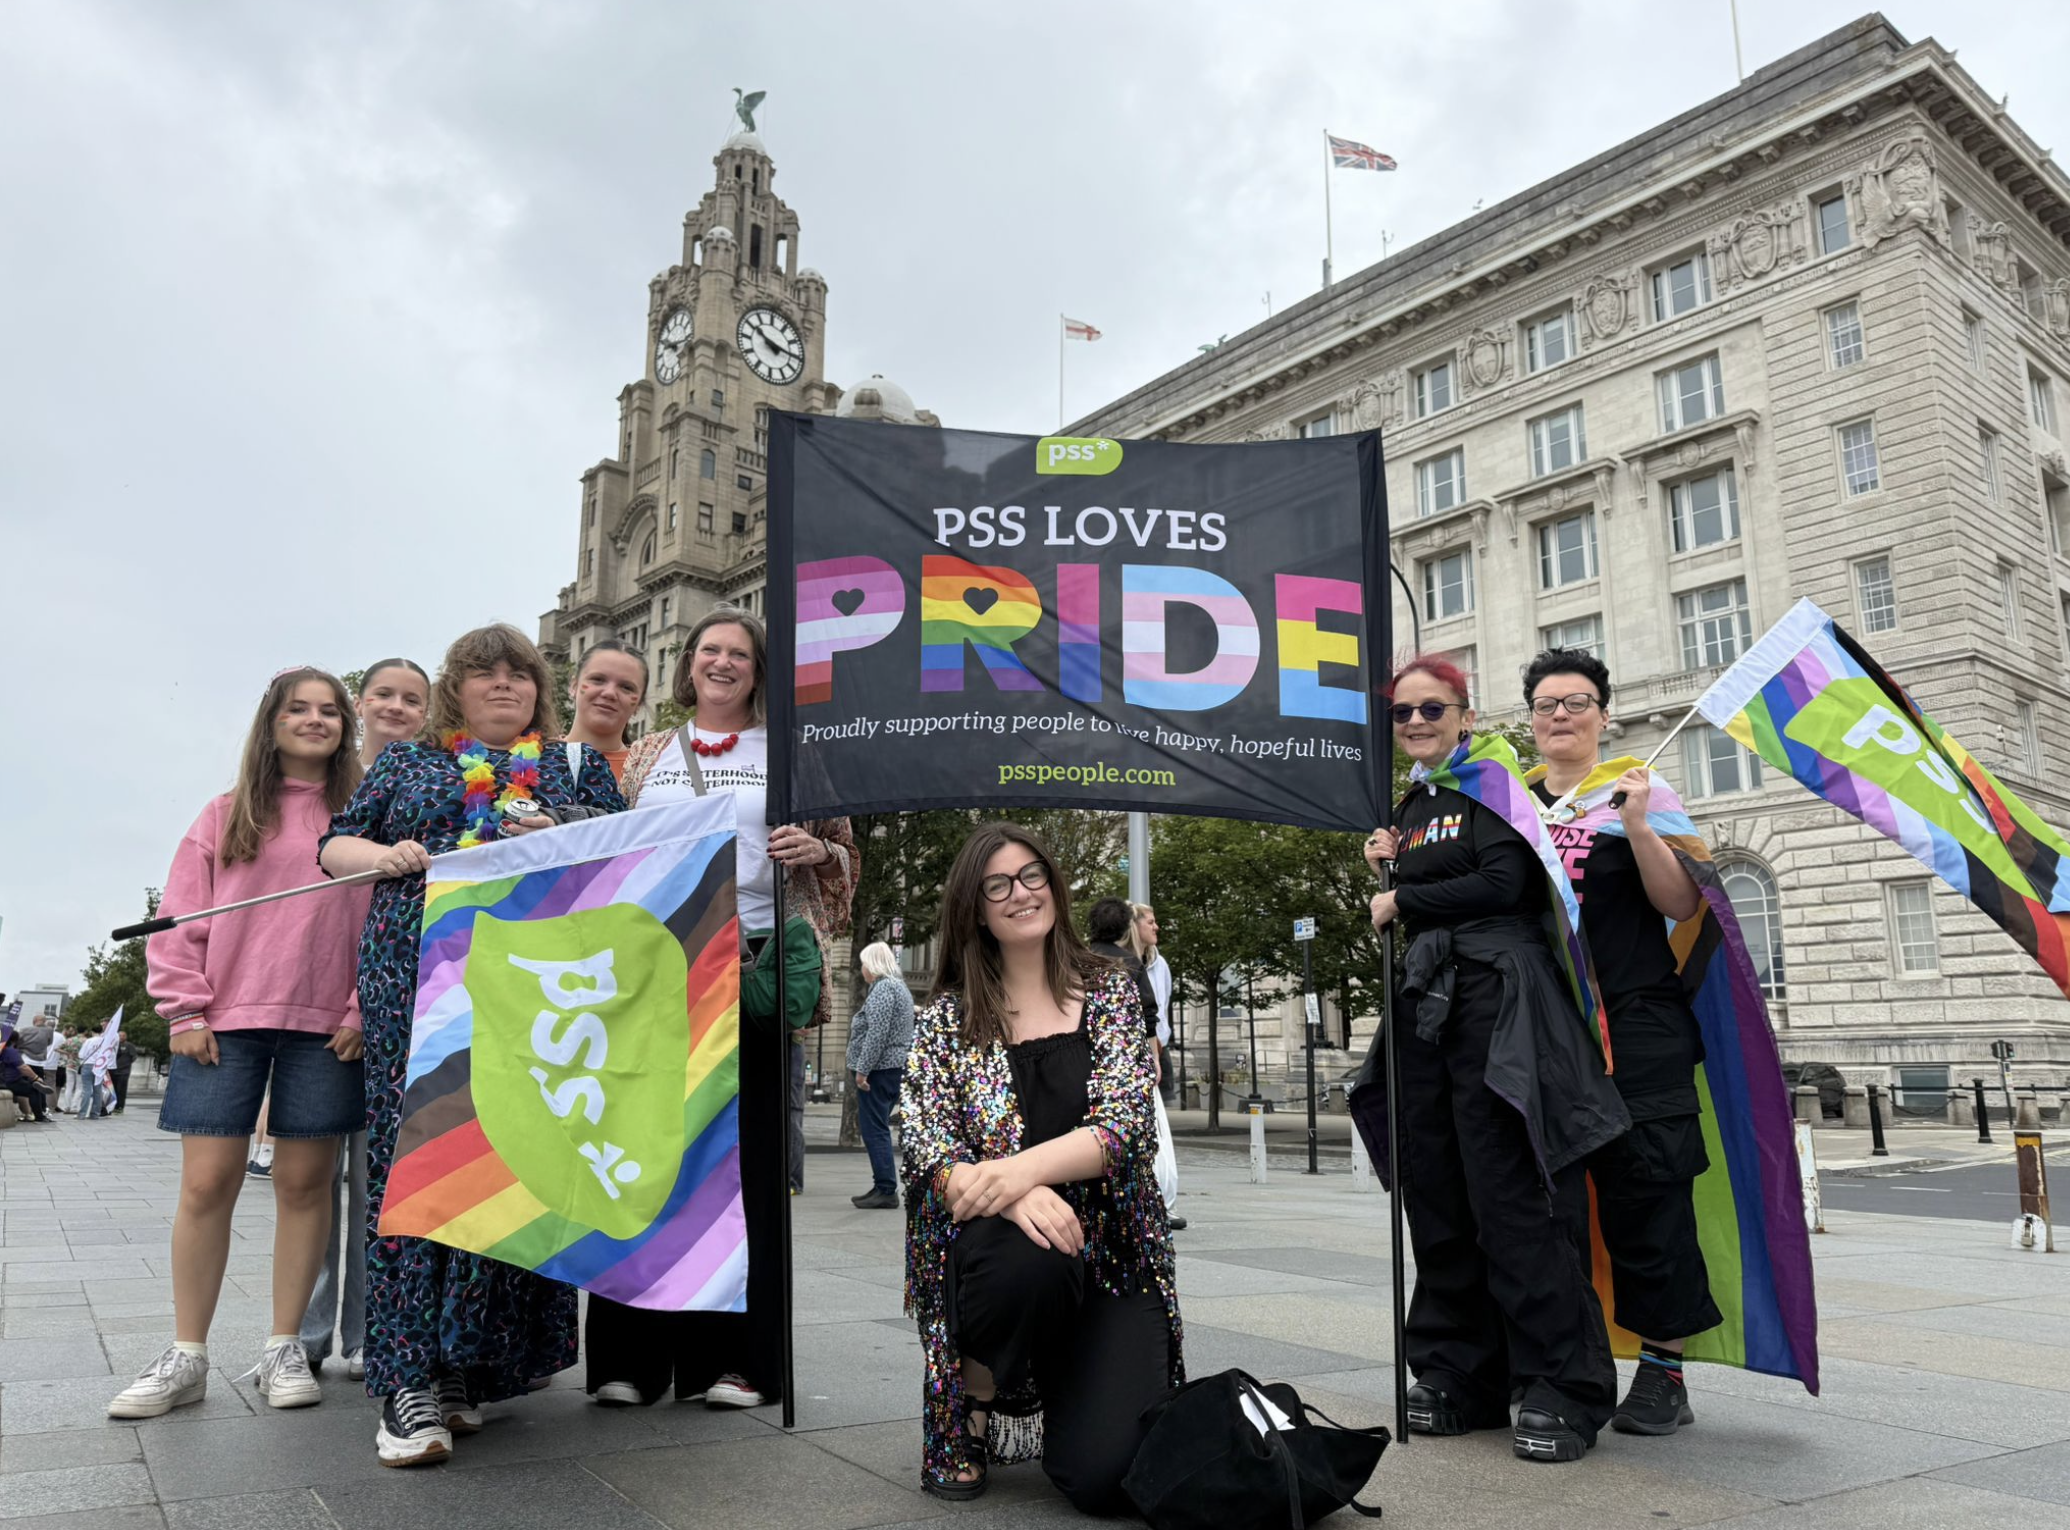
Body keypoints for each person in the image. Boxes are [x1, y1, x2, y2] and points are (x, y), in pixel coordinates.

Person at [320, 624, 624, 1466]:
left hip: (531, 990)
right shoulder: (407, 763)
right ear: (456, 687)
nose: (503, 684)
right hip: (415, 984)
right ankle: (406, 1378)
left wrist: (555, 823)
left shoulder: (573, 767)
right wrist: (385, 854)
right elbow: (334, 845)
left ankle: (467, 1362)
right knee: (416, 1161)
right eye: (484, 672)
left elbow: (625, 851)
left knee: (506, 1159)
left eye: (519, 673)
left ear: (538, 689)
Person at [586, 606, 857, 1410]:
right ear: (688, 664)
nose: (723, 662)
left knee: (748, 1166)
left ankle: (739, 1363)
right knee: (644, 1159)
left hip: (750, 972)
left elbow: (846, 859)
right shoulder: (645, 755)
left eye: (740, 653)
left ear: (758, 670)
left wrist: (819, 849)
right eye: (710, 650)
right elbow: (600, 855)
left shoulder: (796, 756)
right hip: (654, 971)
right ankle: (632, 1359)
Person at [1362, 654, 1626, 1464]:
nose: (1415, 723)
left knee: (1511, 1191)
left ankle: (1561, 1384)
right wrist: (1387, 862)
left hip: (1498, 998)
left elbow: (1507, 881)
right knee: (1438, 1190)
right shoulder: (1413, 803)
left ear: (1465, 717)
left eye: (1431, 710)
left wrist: (1401, 896)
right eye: (1402, 713)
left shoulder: (1496, 785)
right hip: (1428, 1001)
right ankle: (1457, 1371)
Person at [108, 667, 370, 1422]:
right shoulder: (225, 814)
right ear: (272, 722)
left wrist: (359, 1008)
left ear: (344, 728)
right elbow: (179, 917)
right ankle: (186, 1354)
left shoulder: (361, 815)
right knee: (206, 1185)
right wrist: (183, 1010)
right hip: (224, 1021)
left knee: (305, 1186)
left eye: (330, 711)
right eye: (299, 709)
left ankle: (284, 1345)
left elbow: (380, 921)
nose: (315, 719)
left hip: (326, 1027)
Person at [901, 823, 1181, 1512]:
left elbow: (1125, 1126)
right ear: (974, 908)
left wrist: (1017, 1173)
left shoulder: (1110, 989)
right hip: (1004, 1244)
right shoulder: (946, 1018)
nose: (1020, 893)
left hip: (1111, 1250)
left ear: (1054, 885)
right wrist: (1012, 1195)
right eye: (997, 885)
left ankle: (1069, 1375)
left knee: (1109, 1477)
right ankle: (971, 1394)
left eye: (1032, 876)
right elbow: (926, 1144)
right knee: (1029, 1262)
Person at [1524, 648, 1722, 1436]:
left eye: (1577, 702)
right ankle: (1563, 1361)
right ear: (1531, 721)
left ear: (1603, 716)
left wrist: (1637, 824)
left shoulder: (1641, 790)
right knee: (1546, 1207)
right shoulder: (1513, 805)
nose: (1561, 715)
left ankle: (1664, 1373)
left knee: (1649, 1196)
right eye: (1546, 703)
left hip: (1638, 1027)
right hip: (1542, 1031)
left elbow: (1682, 905)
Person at [301, 657, 428, 1382]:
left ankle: (368, 1333)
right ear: (361, 702)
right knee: (311, 1180)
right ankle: (308, 1332)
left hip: (380, 1001)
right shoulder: (330, 779)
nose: (396, 707)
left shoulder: (427, 777)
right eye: (383, 694)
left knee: (375, 1178)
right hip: (314, 1004)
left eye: (413, 698)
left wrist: (359, 1004)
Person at [1127, 903, 1185, 1230]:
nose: (1156, 926)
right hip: (1137, 1052)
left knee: (1158, 1125)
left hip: (1155, 1048)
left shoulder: (1158, 964)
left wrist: (1158, 1048)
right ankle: (1150, 1197)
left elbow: (1159, 1009)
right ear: (1134, 926)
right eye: (1150, 921)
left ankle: (1162, 1198)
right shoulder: (1125, 963)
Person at [845, 941, 915, 1210]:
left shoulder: (884, 989)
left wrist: (862, 1071)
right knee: (878, 1127)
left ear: (872, 965)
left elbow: (877, 1034)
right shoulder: (899, 987)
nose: (862, 968)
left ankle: (885, 1189)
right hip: (892, 1068)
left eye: (864, 963)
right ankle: (882, 1186)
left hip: (880, 1070)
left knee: (874, 1129)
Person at [564, 640, 648, 785]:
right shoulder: (531, 757)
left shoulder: (650, 775)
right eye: (598, 680)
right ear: (573, 686)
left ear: (639, 704)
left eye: (626, 687)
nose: (609, 693)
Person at [1, 1021, 52, 1123]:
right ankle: (39, 1117)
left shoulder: (3, 1049)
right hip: (9, 1082)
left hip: (5, 1080)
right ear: (16, 1040)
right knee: (33, 1091)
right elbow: (23, 1067)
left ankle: (28, 1114)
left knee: (28, 1085)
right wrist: (36, 1077)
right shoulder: (11, 1051)